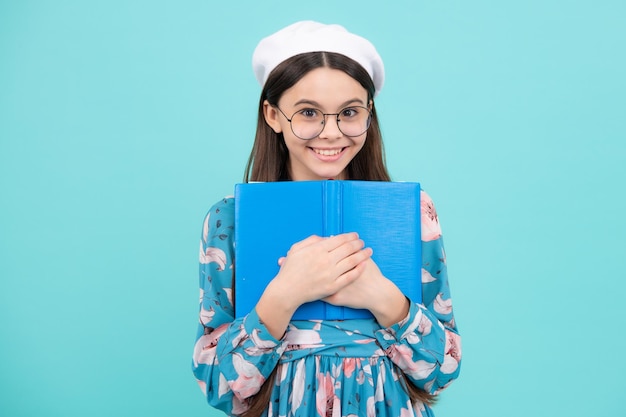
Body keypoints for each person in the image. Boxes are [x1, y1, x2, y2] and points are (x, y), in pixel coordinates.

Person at [192, 21, 461, 417]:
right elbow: (219, 386)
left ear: (369, 113)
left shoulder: (412, 212)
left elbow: (442, 369)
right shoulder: (229, 220)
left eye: (349, 112)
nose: (331, 133)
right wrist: (284, 295)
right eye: (308, 113)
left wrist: (385, 299)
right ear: (272, 115)